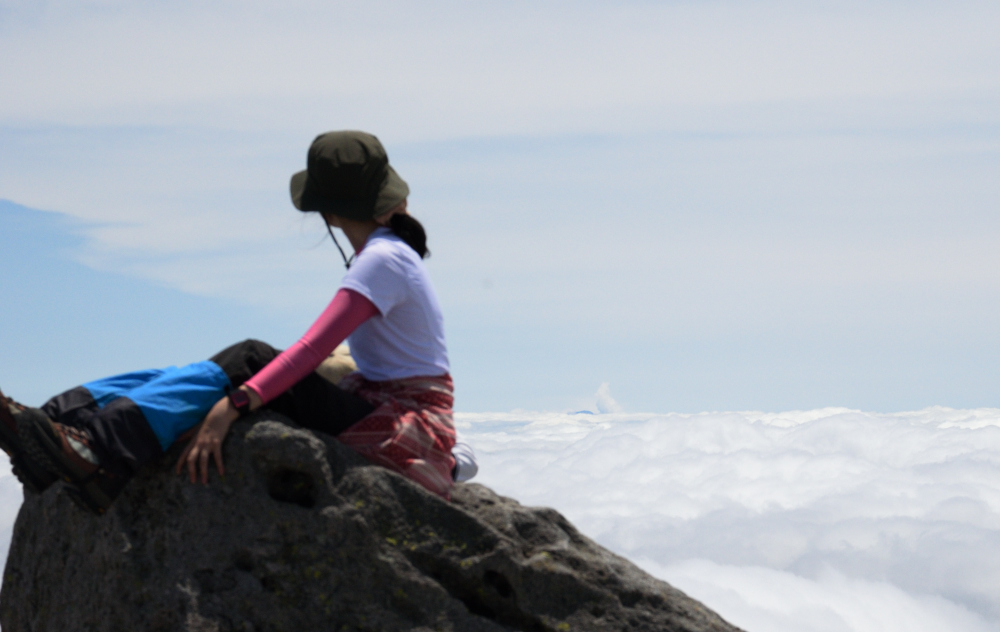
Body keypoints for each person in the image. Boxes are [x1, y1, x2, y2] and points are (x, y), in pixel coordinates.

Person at [0, 130, 475, 515]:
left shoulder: (383, 260)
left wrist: (231, 408)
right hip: (391, 411)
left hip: (398, 424)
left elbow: (309, 350)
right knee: (210, 371)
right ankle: (60, 421)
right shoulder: (390, 254)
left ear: (328, 213)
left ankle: (97, 451)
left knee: (247, 359)